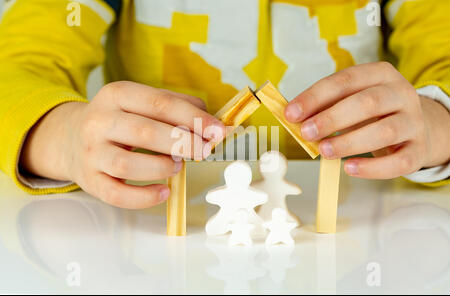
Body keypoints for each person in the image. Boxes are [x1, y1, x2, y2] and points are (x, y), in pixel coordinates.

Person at [0, 0, 448, 209]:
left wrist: (437, 119)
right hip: (155, 220)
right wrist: (62, 135)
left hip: (363, 222)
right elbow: (16, 69)